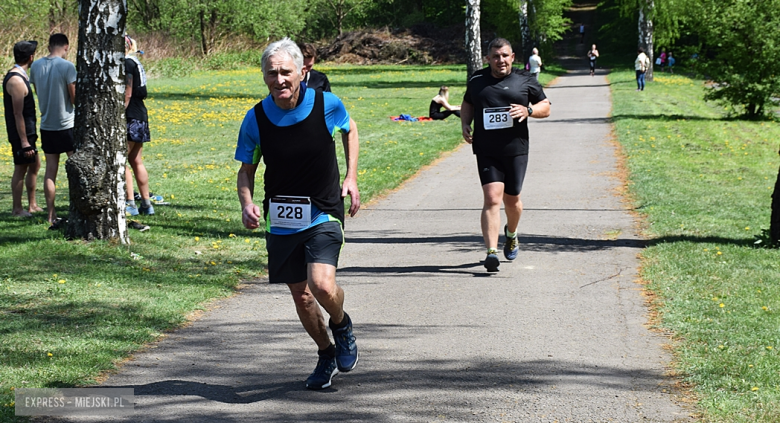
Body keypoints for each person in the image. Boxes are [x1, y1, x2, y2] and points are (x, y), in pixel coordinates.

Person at [235, 38, 360, 390]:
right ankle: (325, 353)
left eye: (285, 72)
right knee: (301, 296)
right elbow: (246, 170)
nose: (279, 79)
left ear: (302, 71)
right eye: (271, 73)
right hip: (283, 218)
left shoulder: (326, 104)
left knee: (321, 285)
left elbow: (350, 130)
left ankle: (341, 322)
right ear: (264, 77)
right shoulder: (256, 118)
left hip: (323, 209)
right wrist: (246, 203)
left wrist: (350, 178)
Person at [460, 38, 551, 272]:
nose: (500, 60)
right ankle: (491, 252)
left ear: (512, 57)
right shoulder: (477, 80)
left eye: (505, 55)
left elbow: (546, 106)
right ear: (488, 58)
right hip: (486, 149)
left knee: (513, 200)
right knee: (492, 198)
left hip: (516, 149)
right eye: (496, 56)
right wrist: (465, 123)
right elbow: (468, 102)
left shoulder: (525, 80)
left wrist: (528, 110)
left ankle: (511, 233)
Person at [29, 33, 76, 229]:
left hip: (47, 124)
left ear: (49, 46)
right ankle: (77, 208)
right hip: (67, 124)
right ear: (66, 46)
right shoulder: (67, 66)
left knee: (50, 171)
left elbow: (38, 92)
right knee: (75, 169)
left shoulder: (36, 66)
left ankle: (51, 214)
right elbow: (74, 98)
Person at [3, 40, 42, 218]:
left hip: (29, 131)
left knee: (35, 164)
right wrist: (25, 142)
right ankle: (17, 209)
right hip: (21, 133)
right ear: (31, 57)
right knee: (21, 168)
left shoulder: (21, 75)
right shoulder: (16, 81)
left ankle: (32, 204)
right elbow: (17, 114)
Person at [123, 35, 154, 216]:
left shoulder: (127, 63)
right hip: (141, 113)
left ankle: (130, 203)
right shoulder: (136, 62)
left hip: (131, 114)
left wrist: (121, 111)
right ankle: (146, 203)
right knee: (136, 159)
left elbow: (128, 92)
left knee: (121, 160)